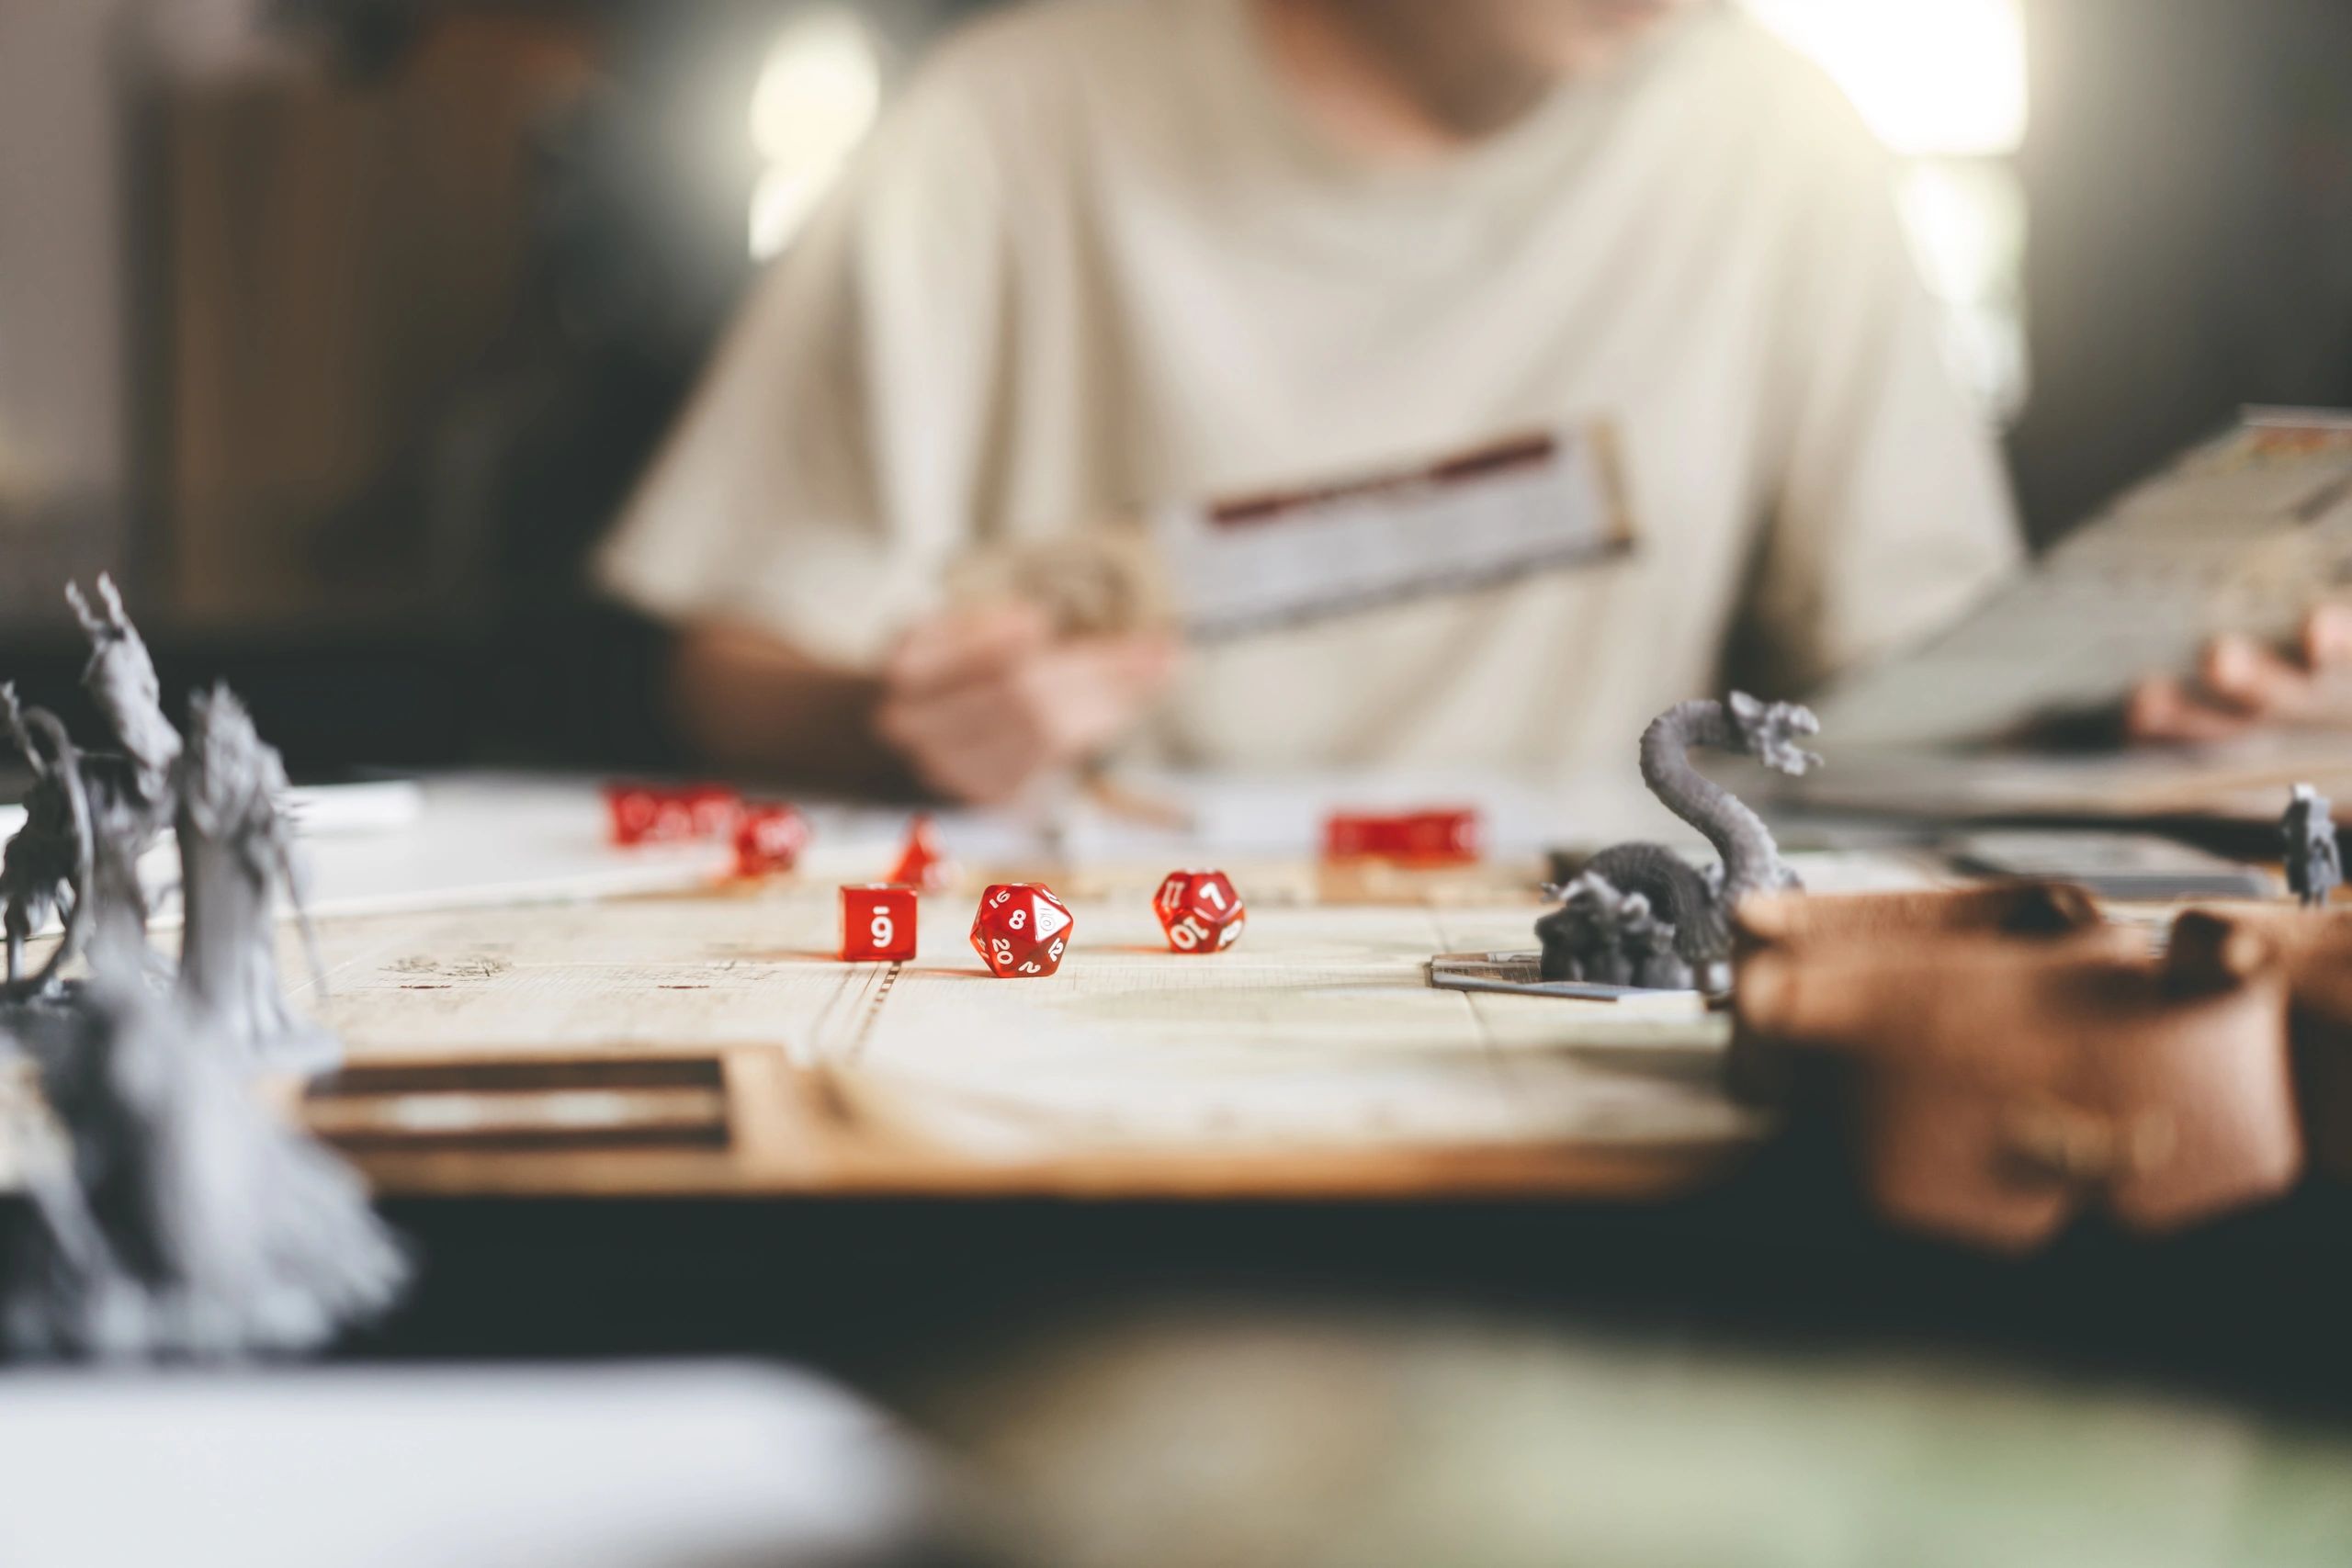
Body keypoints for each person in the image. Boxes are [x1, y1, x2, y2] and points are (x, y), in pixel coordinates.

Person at [597, 0, 2350, 804]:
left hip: (1591, 983)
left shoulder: (1778, 133)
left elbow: (1915, 683)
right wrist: (884, 722)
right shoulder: (1009, 112)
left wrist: (2148, 697)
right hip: (1084, 965)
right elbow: (728, 656)